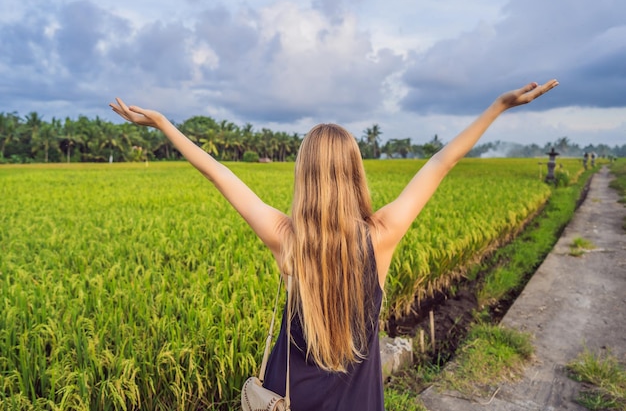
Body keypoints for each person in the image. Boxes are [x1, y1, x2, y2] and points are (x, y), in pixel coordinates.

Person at [110, 79, 558, 411]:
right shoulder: (381, 235)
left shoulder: (286, 239)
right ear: (355, 174)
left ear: (304, 176)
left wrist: (164, 123)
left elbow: (219, 173)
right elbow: (442, 161)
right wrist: (499, 105)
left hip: (286, 400)